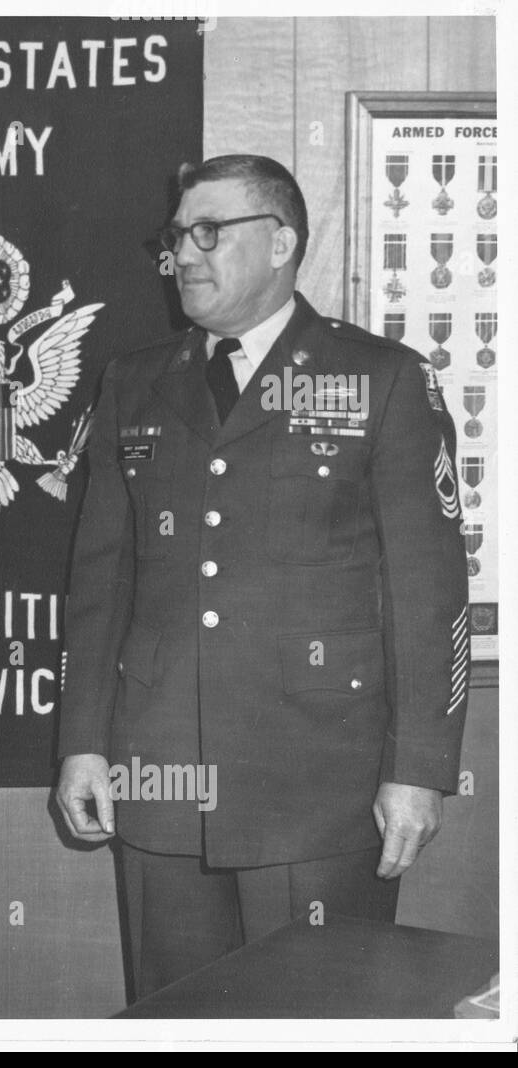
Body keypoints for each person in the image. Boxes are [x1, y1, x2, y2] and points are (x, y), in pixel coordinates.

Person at [54, 154, 468, 1001]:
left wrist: (420, 769)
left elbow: (429, 596)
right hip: (159, 776)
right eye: (175, 237)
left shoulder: (383, 380)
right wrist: (84, 745)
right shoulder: (134, 383)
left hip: (318, 786)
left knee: (317, 1017)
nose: (184, 255)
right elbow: (101, 588)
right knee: (176, 1020)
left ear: (282, 243)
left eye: (210, 232)